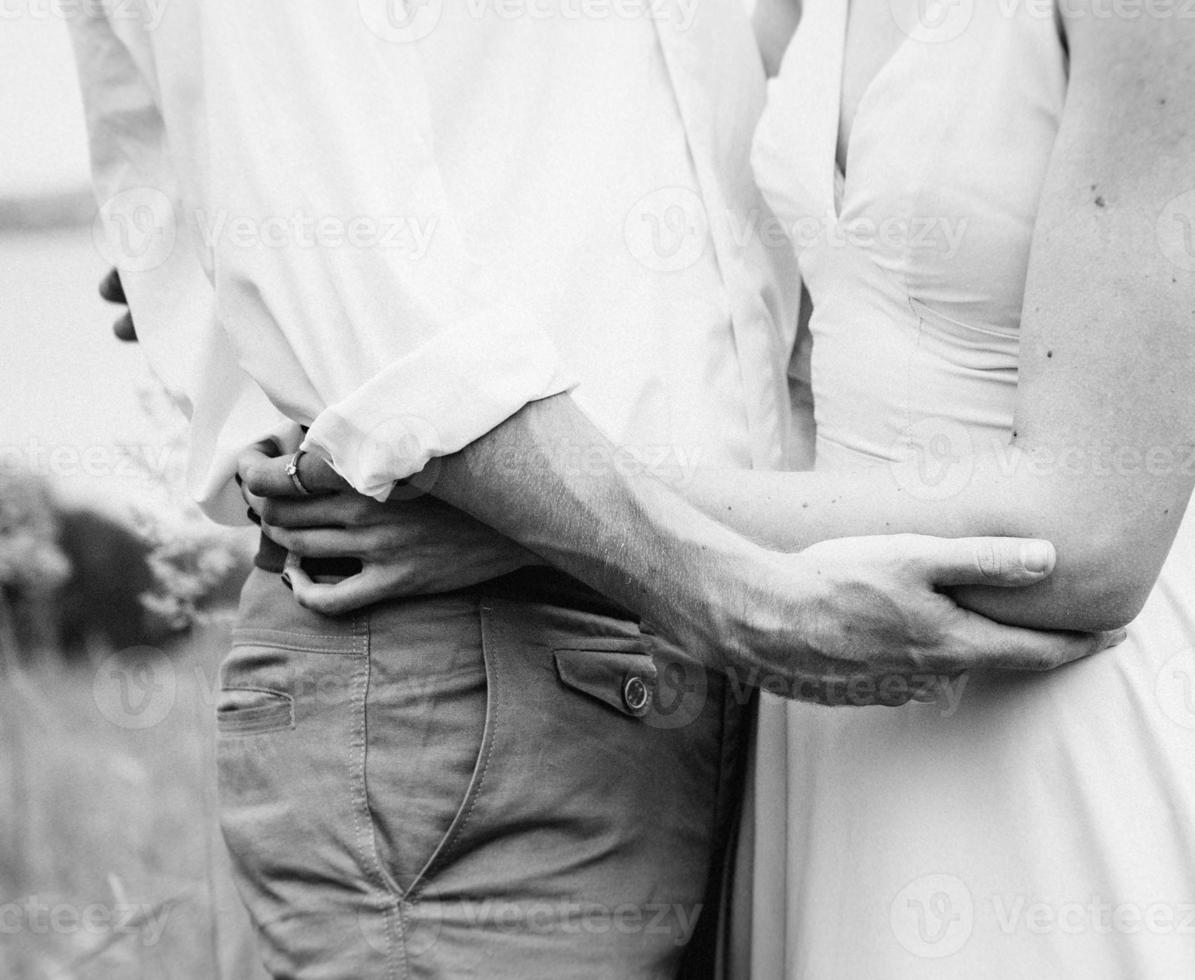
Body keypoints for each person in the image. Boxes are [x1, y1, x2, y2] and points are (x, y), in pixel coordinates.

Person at [229, 0, 1195, 976]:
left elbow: (1083, 535)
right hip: (822, 718)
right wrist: (206, 256)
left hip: (1051, 739)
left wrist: (528, 532)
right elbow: (685, 245)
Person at [69, 1, 1130, 977]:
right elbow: (342, 259)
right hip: (466, 668)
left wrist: (1123, 365)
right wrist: (735, 594)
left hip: (752, 661)